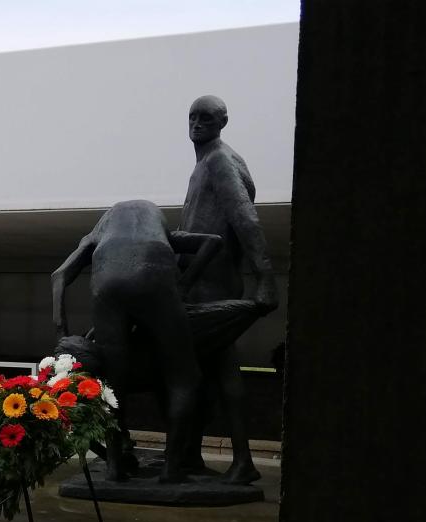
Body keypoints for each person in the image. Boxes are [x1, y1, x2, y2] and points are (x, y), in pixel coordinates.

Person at [52, 200, 222, 482]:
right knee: (184, 378)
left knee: (111, 385)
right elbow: (212, 242)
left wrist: (63, 334)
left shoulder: (98, 233)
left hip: (107, 282)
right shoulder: (156, 227)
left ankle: (114, 467)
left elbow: (59, 276)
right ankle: (173, 469)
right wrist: (184, 283)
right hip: (154, 271)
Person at [179, 95, 279, 484]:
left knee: (221, 370)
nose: (197, 124)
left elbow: (245, 219)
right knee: (208, 372)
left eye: (207, 118)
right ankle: (193, 456)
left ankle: (241, 460)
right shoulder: (205, 163)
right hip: (202, 281)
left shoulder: (220, 161)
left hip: (213, 285)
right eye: (192, 117)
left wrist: (265, 277)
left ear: (222, 123)